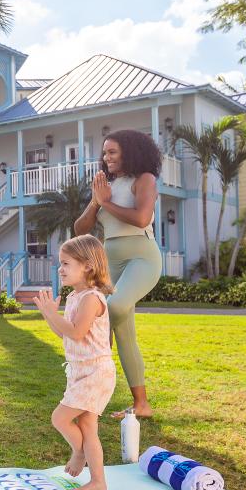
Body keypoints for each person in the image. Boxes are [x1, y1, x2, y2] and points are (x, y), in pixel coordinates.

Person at [74, 129, 162, 419]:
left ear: (130, 152)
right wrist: (98, 200)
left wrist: (107, 202)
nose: (106, 157)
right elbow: (81, 229)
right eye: (104, 152)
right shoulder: (105, 185)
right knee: (124, 334)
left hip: (142, 257)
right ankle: (141, 405)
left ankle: (88, 386)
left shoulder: (144, 179)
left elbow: (141, 218)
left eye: (112, 152)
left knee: (112, 308)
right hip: (110, 261)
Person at [33, 234, 116, 490]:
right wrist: (49, 317)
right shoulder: (74, 298)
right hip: (80, 371)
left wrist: (49, 313)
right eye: (61, 263)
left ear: (88, 266)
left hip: (96, 372)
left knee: (60, 418)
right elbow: (65, 333)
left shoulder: (92, 298)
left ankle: (79, 453)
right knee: (89, 428)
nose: (60, 268)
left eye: (66, 263)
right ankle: (98, 482)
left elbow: (77, 332)